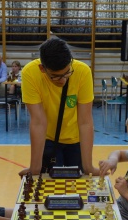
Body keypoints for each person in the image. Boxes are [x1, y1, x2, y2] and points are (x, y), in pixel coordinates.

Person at [19, 37, 99, 176]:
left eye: (67, 73)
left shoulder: (83, 71)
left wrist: (88, 167)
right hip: (49, 139)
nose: (62, 80)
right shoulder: (30, 73)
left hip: (75, 140)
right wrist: (35, 168)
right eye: (55, 76)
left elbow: (85, 122)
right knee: (48, 190)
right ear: (42, 68)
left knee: (77, 188)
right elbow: (38, 122)